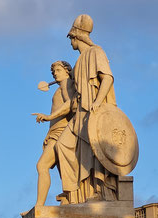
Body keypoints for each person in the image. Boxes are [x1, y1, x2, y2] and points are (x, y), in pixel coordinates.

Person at [34, 14, 117, 204]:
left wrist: (98, 101)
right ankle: (74, 194)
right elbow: (72, 100)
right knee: (63, 146)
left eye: (71, 37)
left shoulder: (96, 52)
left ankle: (97, 190)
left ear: (77, 36)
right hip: (79, 113)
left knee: (92, 149)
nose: (70, 41)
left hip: (93, 112)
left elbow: (108, 78)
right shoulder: (79, 62)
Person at [32, 61, 74, 206]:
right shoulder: (61, 87)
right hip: (55, 132)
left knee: (42, 165)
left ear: (67, 71)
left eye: (58, 70)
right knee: (63, 169)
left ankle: (39, 206)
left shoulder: (66, 84)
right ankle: (69, 198)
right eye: (53, 72)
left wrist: (49, 117)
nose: (55, 73)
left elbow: (70, 104)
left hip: (61, 132)